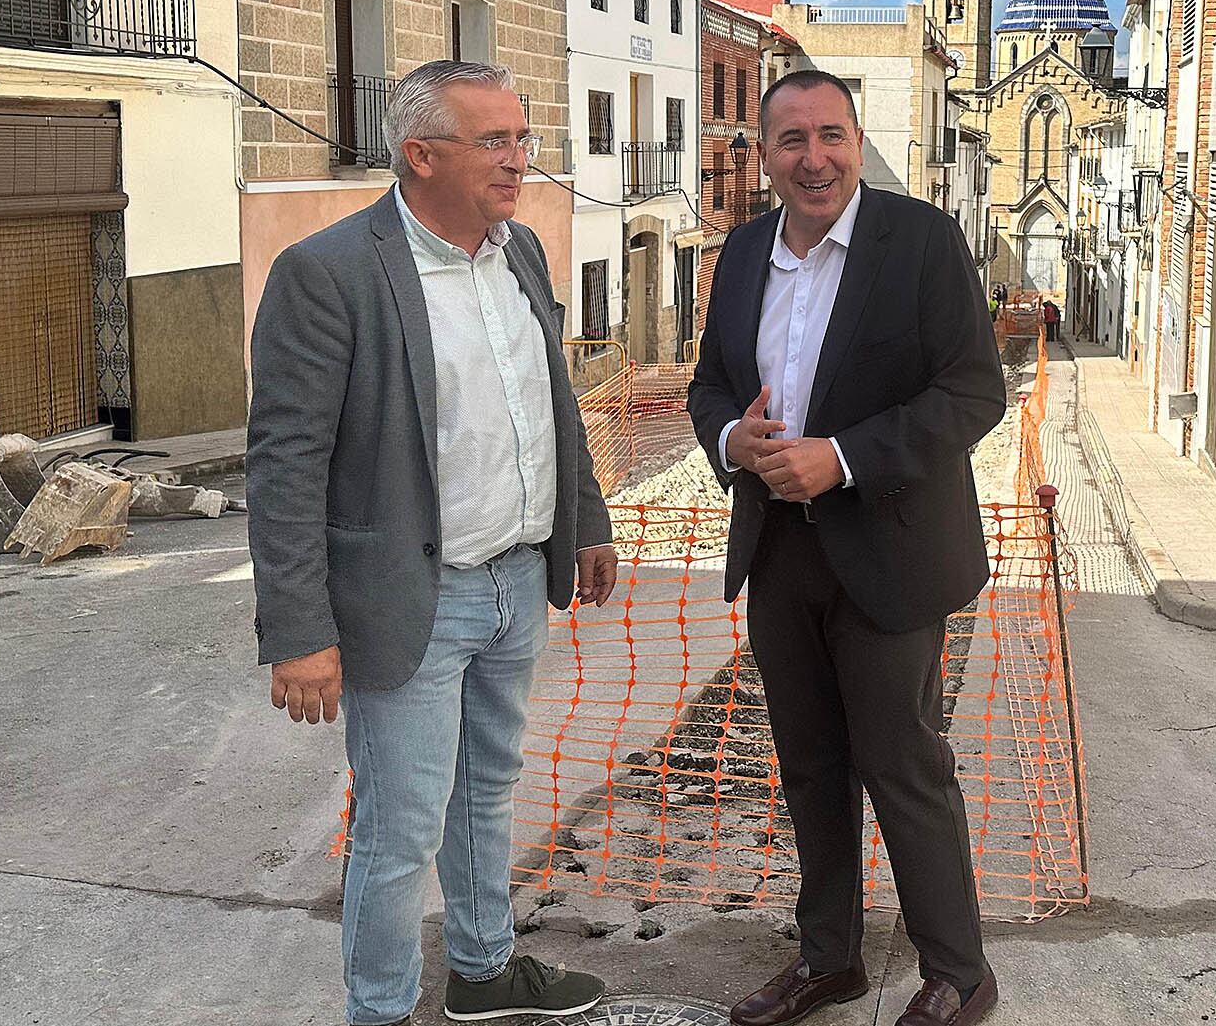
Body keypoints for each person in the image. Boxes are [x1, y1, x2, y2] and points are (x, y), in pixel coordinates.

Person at [249, 61, 616, 1026]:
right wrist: (298, 629)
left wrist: (584, 519)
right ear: (421, 155)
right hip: (412, 598)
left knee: (486, 797)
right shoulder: (328, 272)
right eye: (495, 141)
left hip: (513, 580)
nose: (521, 159)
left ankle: (484, 973)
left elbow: (549, 401)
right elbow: (285, 463)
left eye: (522, 138)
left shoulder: (521, 252)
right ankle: (379, 1010)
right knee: (399, 829)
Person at [689, 70, 1007, 1026]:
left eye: (831, 135)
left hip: (890, 553)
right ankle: (830, 958)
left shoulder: (918, 241)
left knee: (903, 765)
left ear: (857, 140)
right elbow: (710, 385)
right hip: (780, 554)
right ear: (765, 153)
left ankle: (958, 971)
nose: (813, 157)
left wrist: (844, 458)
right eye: (791, 139)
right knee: (808, 766)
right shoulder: (743, 254)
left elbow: (971, 392)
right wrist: (729, 441)